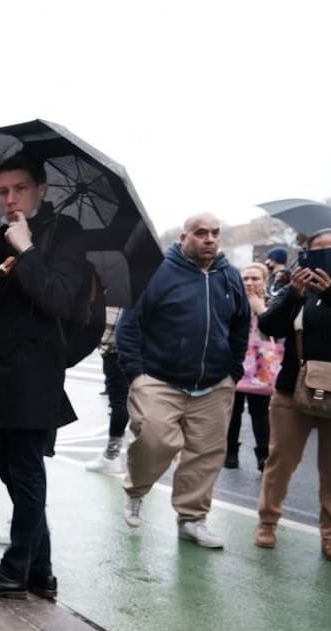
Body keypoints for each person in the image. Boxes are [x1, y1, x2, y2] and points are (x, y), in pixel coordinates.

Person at [0, 153, 87, 600]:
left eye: (20, 188)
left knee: (26, 472)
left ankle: (13, 570)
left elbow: (59, 299)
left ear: (42, 189)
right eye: (3, 192)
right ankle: (39, 571)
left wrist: (27, 249)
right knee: (10, 470)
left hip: (36, 375)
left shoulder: (63, 234)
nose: (10, 199)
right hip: (0, 373)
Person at [116, 213, 249, 548]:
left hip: (214, 383)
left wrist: (233, 371)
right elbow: (129, 325)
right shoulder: (156, 272)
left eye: (215, 233)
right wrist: (136, 374)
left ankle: (192, 518)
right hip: (159, 378)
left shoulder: (229, 275)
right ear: (183, 237)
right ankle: (136, 490)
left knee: (206, 454)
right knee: (155, 438)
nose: (210, 239)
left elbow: (241, 324)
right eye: (201, 233)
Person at [253, 228, 331, 560]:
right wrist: (292, 293)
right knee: (280, 461)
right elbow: (269, 325)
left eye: (330, 251)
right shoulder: (295, 288)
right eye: (315, 251)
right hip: (292, 389)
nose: (321, 258)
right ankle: (267, 522)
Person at [225, 263, 275, 471]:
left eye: (255, 278)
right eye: (245, 278)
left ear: (264, 281)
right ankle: (231, 452)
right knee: (233, 410)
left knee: (260, 412)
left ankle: (263, 455)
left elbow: (277, 329)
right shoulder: (232, 300)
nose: (249, 282)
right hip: (235, 361)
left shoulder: (273, 302)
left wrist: (260, 310)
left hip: (261, 363)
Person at [85, 306, 129, 475]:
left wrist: (101, 343)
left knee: (119, 401)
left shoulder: (121, 296)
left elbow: (109, 326)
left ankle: (112, 455)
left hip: (117, 352)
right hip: (145, 353)